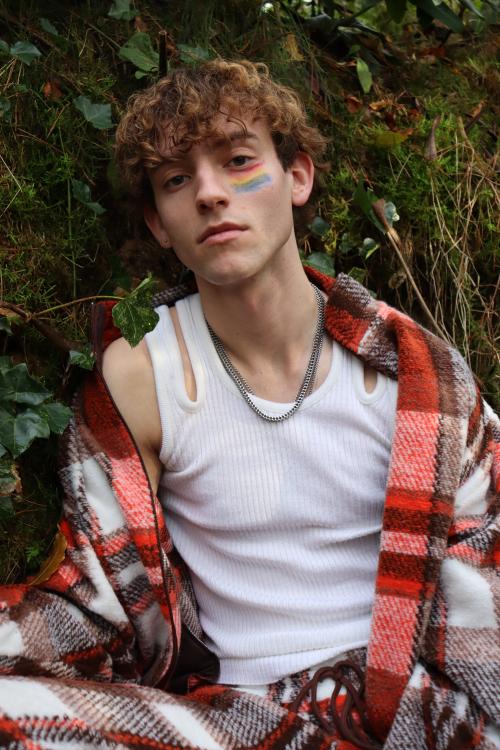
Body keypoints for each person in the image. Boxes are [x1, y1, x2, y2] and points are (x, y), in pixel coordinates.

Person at [0, 59, 498, 750]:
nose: (210, 193)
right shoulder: (142, 374)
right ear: (159, 223)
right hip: (237, 724)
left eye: (238, 161)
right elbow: (101, 589)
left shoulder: (416, 380)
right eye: (176, 180)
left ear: (297, 177)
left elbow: (483, 588)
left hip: (405, 708)